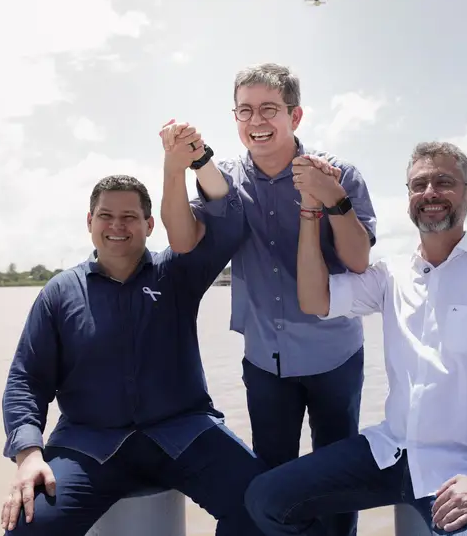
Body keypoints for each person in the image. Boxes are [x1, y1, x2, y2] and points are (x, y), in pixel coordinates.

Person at [244, 141, 467, 536]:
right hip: (390, 453)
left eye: (444, 182)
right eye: (419, 185)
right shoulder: (391, 275)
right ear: (408, 199)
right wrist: (310, 208)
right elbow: (314, 298)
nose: (430, 193)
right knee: (266, 499)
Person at [159, 62, 378, 535]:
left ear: (295, 116)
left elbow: (359, 261)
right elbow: (182, 240)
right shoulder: (224, 179)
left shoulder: (340, 173)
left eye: (268, 109)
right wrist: (175, 166)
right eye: (245, 110)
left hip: (336, 356)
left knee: (339, 482)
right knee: (271, 481)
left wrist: (331, 197)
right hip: (264, 360)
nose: (256, 121)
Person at [0, 152, 267, 535]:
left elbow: (227, 223)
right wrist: (28, 453)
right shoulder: (60, 292)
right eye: (105, 215)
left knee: (262, 504)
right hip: (89, 442)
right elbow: (26, 380)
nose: (117, 226)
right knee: (27, 524)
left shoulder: (178, 273)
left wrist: (194, 161)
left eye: (129, 217)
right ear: (90, 222)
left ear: (149, 224)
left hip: (184, 431)